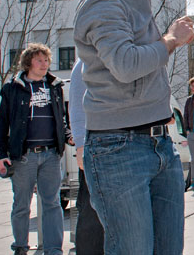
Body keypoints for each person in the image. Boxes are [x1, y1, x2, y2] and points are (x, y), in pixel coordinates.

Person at [73, 0, 194, 255]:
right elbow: (125, 64)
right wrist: (172, 40)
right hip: (118, 150)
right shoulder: (102, 3)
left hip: (160, 144)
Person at [0, 43, 71, 255]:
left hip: (51, 155)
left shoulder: (55, 87)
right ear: (28, 63)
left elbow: (62, 119)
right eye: (39, 60)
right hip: (23, 157)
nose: (45, 64)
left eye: (46, 61)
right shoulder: (11, 89)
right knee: (21, 205)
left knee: (52, 203)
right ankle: (20, 247)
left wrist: (68, 136)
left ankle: (54, 250)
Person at [69, 59, 105, 255]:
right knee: (92, 213)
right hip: (96, 148)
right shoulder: (85, 61)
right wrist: (81, 144)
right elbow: (76, 106)